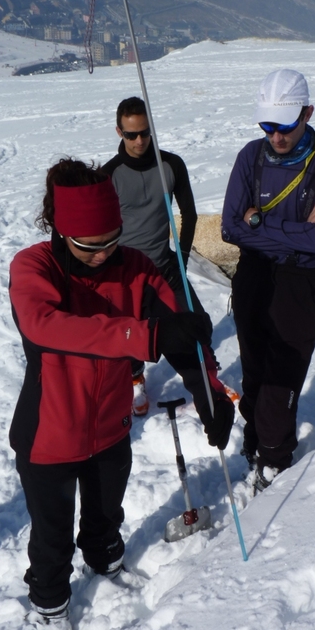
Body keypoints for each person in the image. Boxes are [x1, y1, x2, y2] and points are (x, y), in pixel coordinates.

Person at [9, 158, 234, 630]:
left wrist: (209, 392)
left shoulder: (135, 267)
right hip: (49, 435)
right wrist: (144, 336)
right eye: (90, 246)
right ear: (61, 230)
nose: (103, 254)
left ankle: (107, 564)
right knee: (51, 534)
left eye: (112, 240)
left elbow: (180, 335)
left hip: (110, 426)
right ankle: (50, 603)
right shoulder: (34, 266)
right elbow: (46, 326)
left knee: (106, 515)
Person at [221, 69, 315, 493]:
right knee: (254, 369)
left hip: (298, 281)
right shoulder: (251, 155)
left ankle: (274, 461)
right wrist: (294, 229)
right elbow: (228, 228)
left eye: (284, 126)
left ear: (308, 113)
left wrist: (258, 221)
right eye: (267, 125)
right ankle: (254, 439)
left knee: (283, 375)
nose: (275, 136)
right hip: (254, 274)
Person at [102, 96, 208, 417]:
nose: (139, 141)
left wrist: (182, 260)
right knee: (132, 333)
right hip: (126, 273)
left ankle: (208, 382)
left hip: (164, 266)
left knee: (197, 325)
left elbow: (189, 215)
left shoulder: (170, 165)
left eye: (145, 132)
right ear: (119, 132)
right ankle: (136, 378)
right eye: (131, 134)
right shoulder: (109, 175)